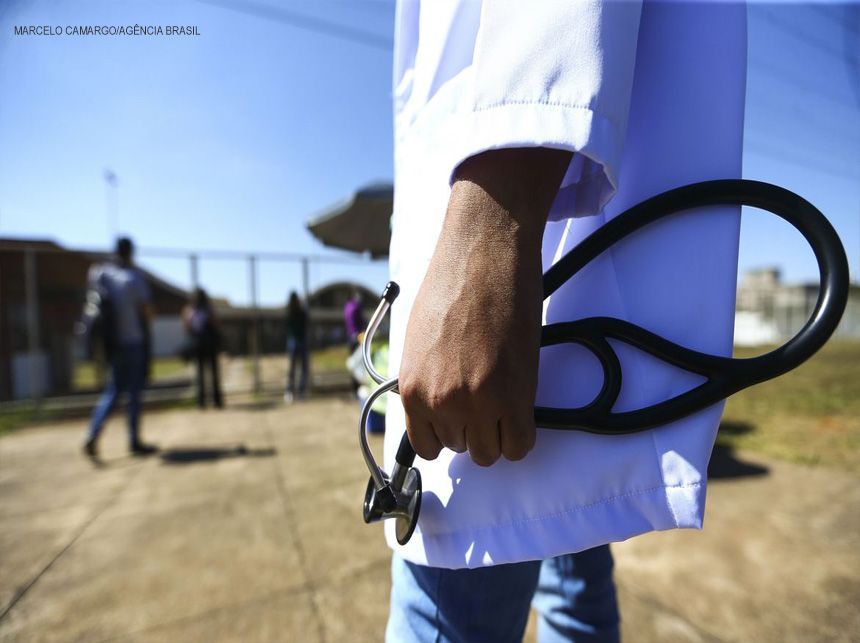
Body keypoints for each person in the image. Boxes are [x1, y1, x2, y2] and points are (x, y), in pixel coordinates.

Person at [384, 2, 747, 642]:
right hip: (536, 251)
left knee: (457, 587)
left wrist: (489, 223)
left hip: (509, 217)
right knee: (566, 540)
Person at [83, 237, 158, 459]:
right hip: (133, 341)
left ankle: (93, 434)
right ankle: (134, 442)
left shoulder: (100, 273)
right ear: (131, 253)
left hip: (111, 343)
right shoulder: (133, 278)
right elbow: (147, 313)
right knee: (134, 393)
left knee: (113, 390)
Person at [182, 287, 224, 409]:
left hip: (198, 344)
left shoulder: (189, 310)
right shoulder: (209, 309)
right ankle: (217, 401)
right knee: (213, 373)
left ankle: (201, 401)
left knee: (200, 373)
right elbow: (217, 324)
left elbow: (186, 326)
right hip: (209, 344)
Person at [284, 291, 309, 403]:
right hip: (294, 341)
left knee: (300, 368)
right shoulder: (290, 312)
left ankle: (300, 392)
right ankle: (291, 391)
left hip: (300, 341)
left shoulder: (300, 312)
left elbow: (306, 323)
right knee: (293, 368)